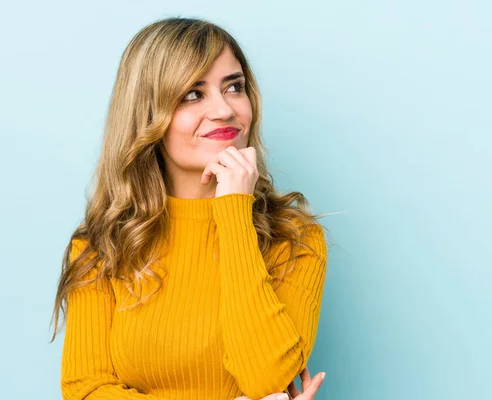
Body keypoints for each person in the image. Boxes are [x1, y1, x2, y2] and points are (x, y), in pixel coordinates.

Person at [49, 17, 330, 400]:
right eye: (193, 94)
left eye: (234, 87)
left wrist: (233, 211)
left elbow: (266, 378)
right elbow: (86, 390)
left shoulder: (295, 240)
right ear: (148, 116)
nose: (224, 110)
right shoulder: (102, 248)